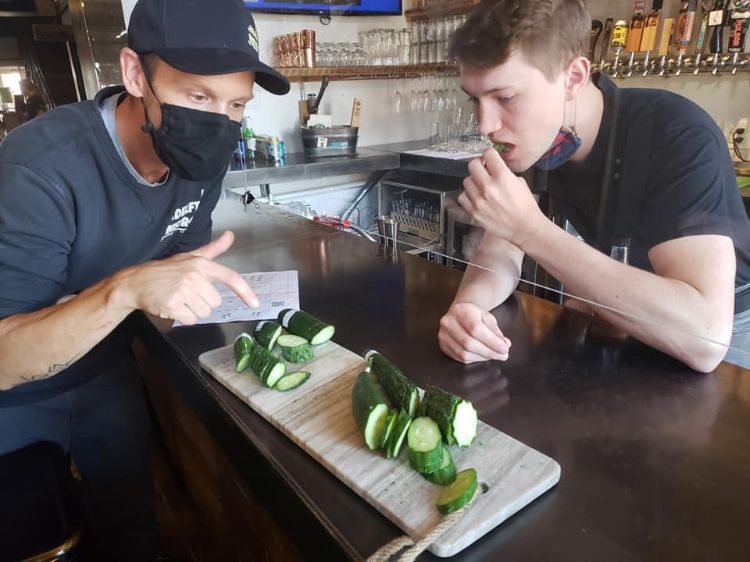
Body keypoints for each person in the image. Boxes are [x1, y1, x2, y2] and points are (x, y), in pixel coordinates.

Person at [0, 0, 289, 560]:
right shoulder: (38, 169)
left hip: (106, 371)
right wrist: (127, 288)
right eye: (197, 96)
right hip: (16, 398)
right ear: (136, 74)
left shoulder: (199, 157)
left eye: (235, 104)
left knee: (132, 525)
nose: (218, 120)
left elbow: (180, 266)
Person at [438, 0, 750, 373]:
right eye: (475, 98)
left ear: (572, 78)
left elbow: (706, 336)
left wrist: (528, 229)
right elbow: (499, 252)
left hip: (730, 340)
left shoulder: (677, 134)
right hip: (627, 326)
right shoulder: (537, 139)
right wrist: (468, 308)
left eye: (505, 98)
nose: (485, 124)